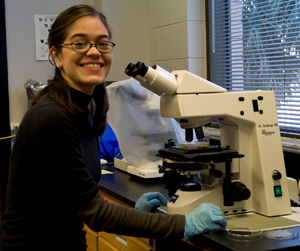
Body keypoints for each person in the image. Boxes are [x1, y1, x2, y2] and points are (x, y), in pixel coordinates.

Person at [0, 4, 227, 251]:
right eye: (79, 43)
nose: (94, 52)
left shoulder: (84, 109)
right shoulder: (51, 117)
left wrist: (130, 213)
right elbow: (96, 213)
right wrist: (184, 224)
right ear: (56, 56)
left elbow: (76, 198)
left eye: (103, 43)